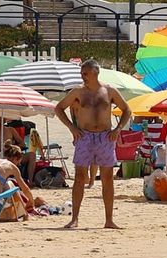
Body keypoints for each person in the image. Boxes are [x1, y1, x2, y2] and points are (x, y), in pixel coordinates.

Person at [54, 59, 132, 230]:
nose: (83, 77)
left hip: (106, 137)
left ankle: (109, 219)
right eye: (82, 74)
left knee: (107, 178)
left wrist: (118, 128)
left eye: (85, 74)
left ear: (95, 73)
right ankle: (74, 219)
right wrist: (72, 128)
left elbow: (127, 110)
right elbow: (59, 108)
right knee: (80, 177)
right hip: (85, 137)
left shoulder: (109, 91)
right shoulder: (78, 92)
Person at [0, 145, 41, 221]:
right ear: (15, 158)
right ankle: (25, 214)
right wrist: (32, 202)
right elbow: (25, 189)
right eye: (18, 163)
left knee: (5, 182)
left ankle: (24, 213)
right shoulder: (12, 166)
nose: (18, 165)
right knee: (10, 184)